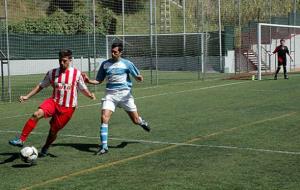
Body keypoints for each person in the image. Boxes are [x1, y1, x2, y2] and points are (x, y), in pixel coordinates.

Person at [9, 49, 96, 156]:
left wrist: (90, 95)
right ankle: (21, 139)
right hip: (53, 102)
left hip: (67, 108)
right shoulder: (52, 73)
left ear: (70, 60)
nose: (61, 63)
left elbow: (83, 88)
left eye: (64, 61)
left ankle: (46, 147)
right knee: (37, 114)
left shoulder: (77, 74)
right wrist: (27, 96)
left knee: (53, 130)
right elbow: (41, 85)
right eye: (60, 60)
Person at [83, 42, 150, 155]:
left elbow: (138, 77)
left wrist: (139, 78)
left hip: (125, 96)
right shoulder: (105, 64)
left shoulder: (127, 64)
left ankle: (141, 121)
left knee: (135, 120)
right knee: (104, 118)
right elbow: (99, 80)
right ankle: (104, 147)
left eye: (115, 52)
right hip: (110, 95)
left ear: (120, 52)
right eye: (112, 52)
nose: (113, 54)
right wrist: (89, 81)